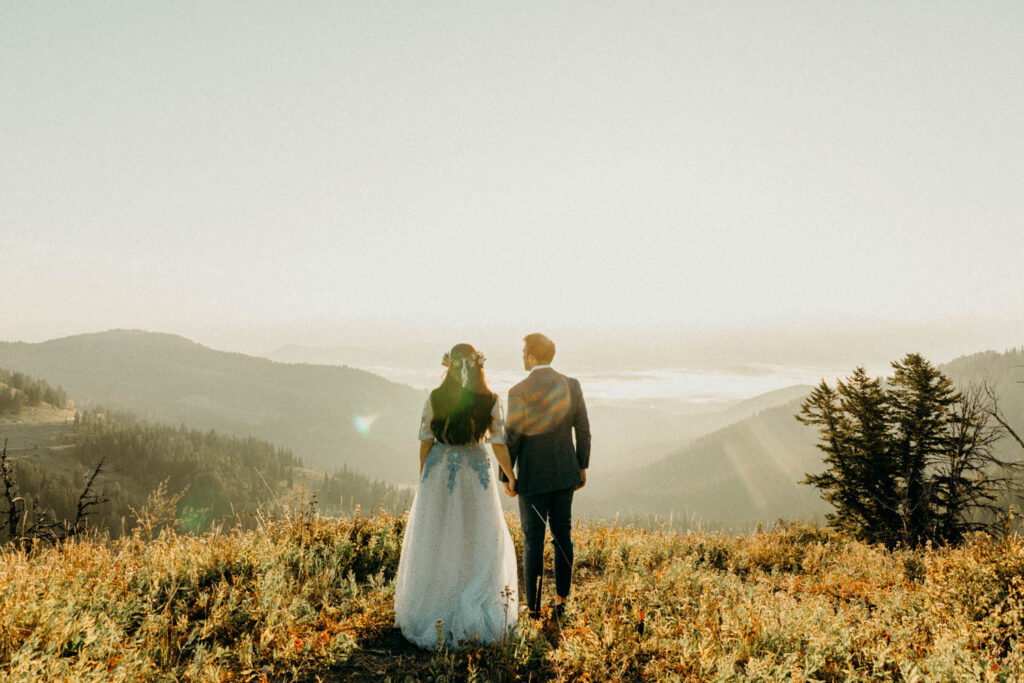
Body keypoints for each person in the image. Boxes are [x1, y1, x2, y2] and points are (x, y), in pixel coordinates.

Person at [393, 343, 519, 649]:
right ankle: (474, 597)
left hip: (440, 471)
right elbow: (499, 442)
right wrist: (510, 476)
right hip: (475, 471)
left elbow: (425, 439)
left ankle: (435, 601)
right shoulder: (490, 399)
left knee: (437, 536)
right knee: (478, 536)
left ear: (449, 366)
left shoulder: (436, 396)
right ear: (478, 366)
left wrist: (426, 475)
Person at [501, 333, 591, 619]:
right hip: (565, 472)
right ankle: (562, 599)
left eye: (523, 351)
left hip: (531, 476)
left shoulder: (518, 390)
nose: (522, 356)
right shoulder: (571, 385)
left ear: (531, 355)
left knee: (533, 540)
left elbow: (512, 437)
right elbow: (583, 428)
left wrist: (507, 476)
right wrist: (581, 465)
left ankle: (536, 607)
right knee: (563, 535)